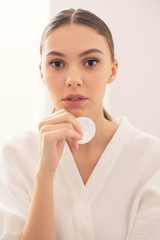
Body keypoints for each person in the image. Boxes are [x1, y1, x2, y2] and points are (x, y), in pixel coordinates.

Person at [0, 8, 160, 240]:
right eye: (57, 64)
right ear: (42, 73)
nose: (73, 79)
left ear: (112, 71)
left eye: (91, 62)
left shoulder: (151, 158)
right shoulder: (15, 154)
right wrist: (45, 173)